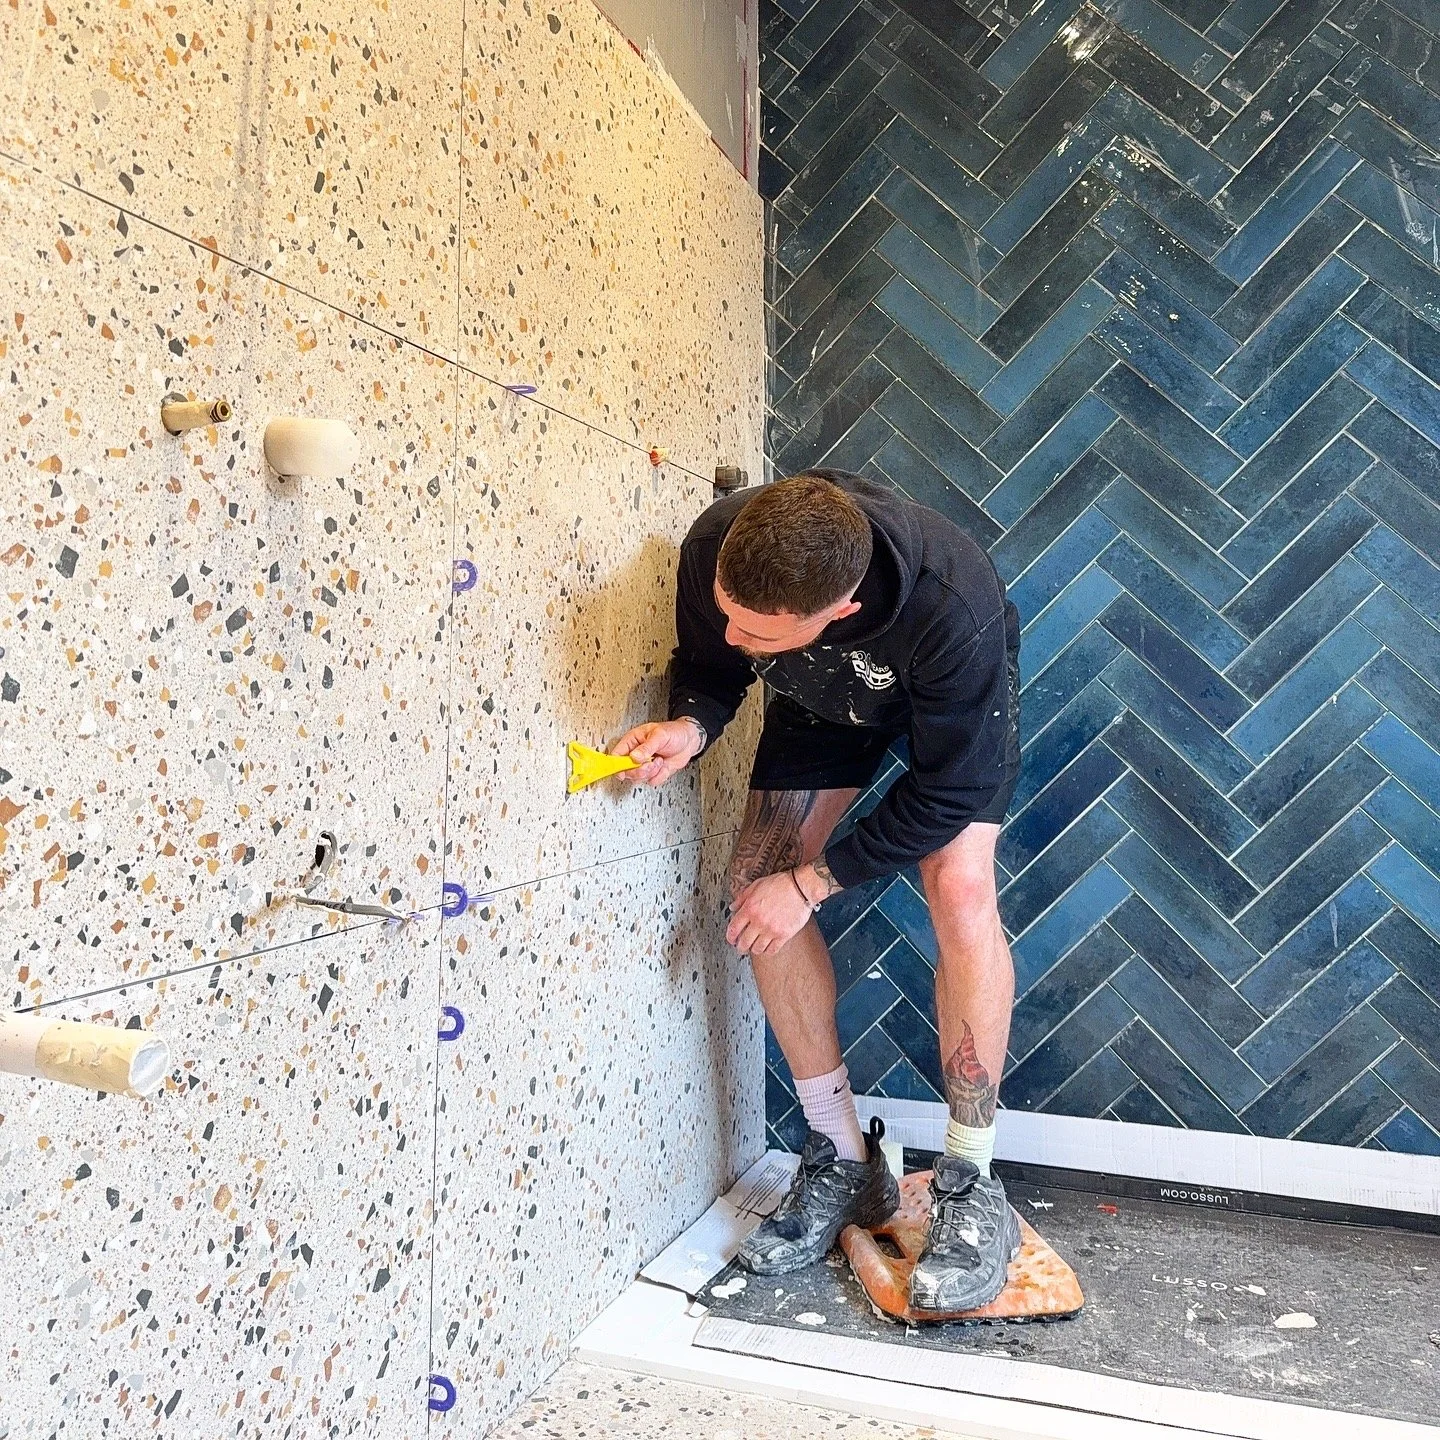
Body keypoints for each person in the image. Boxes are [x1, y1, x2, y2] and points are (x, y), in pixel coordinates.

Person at [611, 469, 1023, 1314]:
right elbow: (709, 665)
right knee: (752, 878)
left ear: (835, 611)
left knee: (960, 886)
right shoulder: (719, 548)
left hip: (938, 708)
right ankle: (840, 1158)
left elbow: (946, 795)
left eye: (754, 629)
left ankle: (972, 1177)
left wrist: (816, 882)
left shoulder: (953, 604)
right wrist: (692, 726)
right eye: (728, 610)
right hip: (818, 702)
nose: (731, 631)